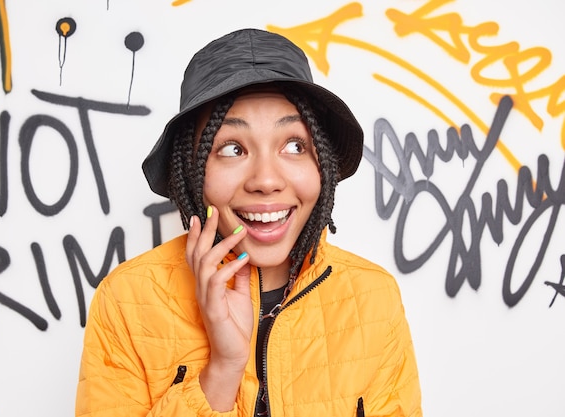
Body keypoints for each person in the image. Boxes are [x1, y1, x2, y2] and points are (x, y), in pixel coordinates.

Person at [76, 28, 422, 417]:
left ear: (320, 162)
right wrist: (222, 371)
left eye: (294, 146)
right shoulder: (126, 300)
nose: (266, 181)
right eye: (232, 148)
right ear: (191, 171)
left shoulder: (374, 297)